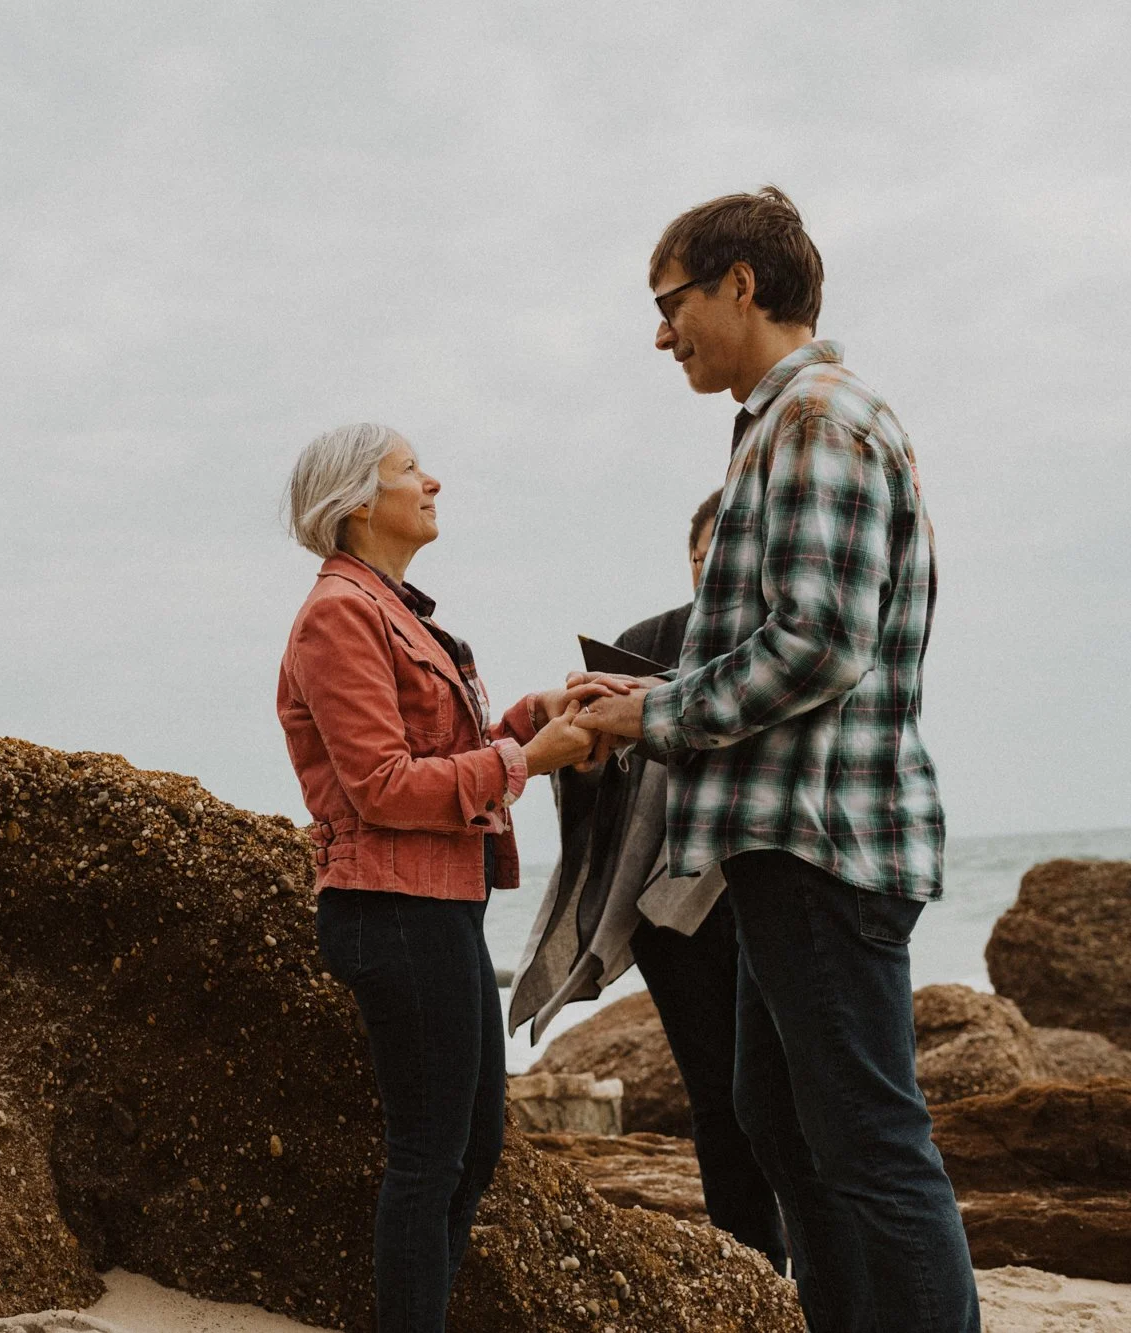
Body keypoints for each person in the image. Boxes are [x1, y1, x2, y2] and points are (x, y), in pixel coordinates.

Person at [574, 187, 977, 1331]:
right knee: (780, 1118)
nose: (661, 334)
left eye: (669, 302)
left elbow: (816, 644)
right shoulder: (785, 423)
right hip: (791, 838)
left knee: (867, 1143)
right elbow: (790, 640)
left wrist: (648, 720)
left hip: (822, 841)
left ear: (738, 284)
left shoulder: (815, 421)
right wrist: (642, 692)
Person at [276, 423, 603, 1333]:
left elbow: (445, 748)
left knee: (471, 1148)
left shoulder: (394, 609)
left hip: (440, 905)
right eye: (410, 470)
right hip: (388, 907)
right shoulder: (339, 614)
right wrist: (525, 760)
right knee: (430, 1154)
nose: (435, 482)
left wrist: (534, 715)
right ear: (355, 506)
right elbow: (381, 785)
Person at [509, 488, 786, 1271]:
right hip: (672, 909)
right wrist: (594, 735)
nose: (710, 570)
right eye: (699, 558)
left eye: (724, 556)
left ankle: (812, 1260)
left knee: (785, 1096)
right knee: (717, 1095)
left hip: (770, 887)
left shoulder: (777, 649)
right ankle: (752, 1263)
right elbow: (603, 795)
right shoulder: (647, 639)